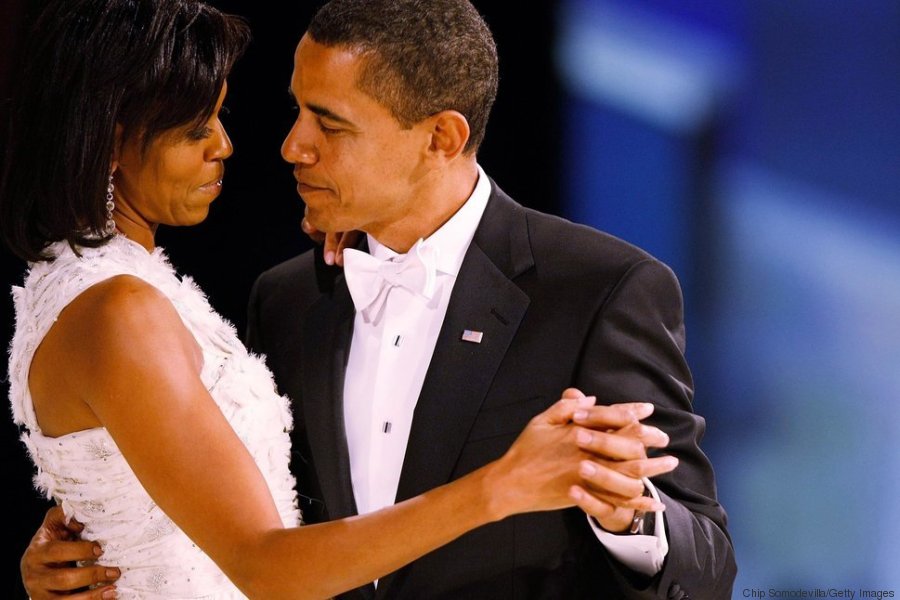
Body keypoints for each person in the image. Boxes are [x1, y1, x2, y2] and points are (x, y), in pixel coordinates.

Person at [2, 0, 679, 599]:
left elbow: (698, 547)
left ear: (441, 137)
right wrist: (501, 486)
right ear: (111, 141)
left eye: (329, 122)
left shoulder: (601, 290)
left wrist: (628, 517)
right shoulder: (265, 302)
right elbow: (266, 560)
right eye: (195, 129)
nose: (275, 146)